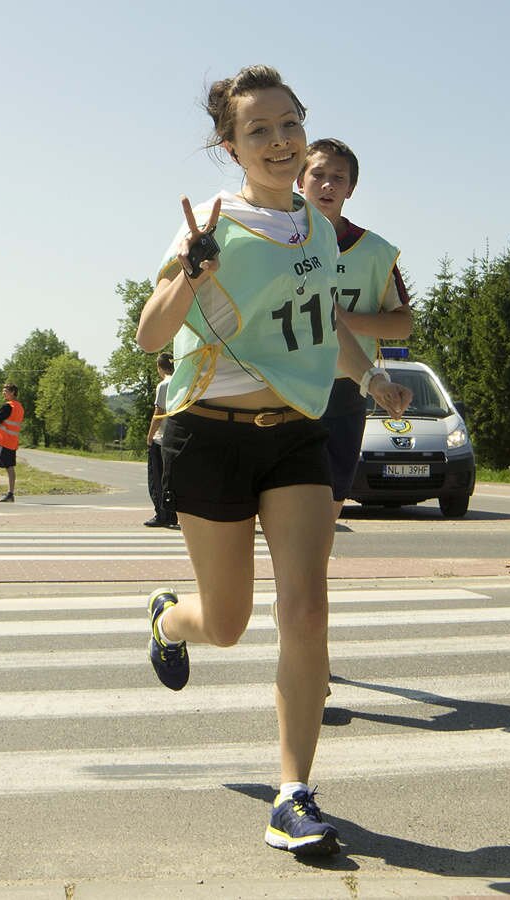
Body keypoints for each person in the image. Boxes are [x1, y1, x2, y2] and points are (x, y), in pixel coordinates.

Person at [134, 65, 411, 858]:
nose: (280, 140)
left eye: (289, 123)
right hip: (210, 434)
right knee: (225, 624)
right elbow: (151, 336)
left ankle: (294, 795)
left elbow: (326, 324)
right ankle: (169, 618)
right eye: (258, 130)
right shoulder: (214, 223)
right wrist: (193, 270)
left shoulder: (316, 229)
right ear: (231, 146)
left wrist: (371, 377)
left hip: (295, 432)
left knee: (307, 610)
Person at [297, 138, 413, 522]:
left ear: (351, 189)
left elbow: (403, 323)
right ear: (299, 180)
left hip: (345, 387)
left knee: (329, 504)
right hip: (283, 384)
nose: (327, 185)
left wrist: (341, 320)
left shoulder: (375, 251)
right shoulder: (274, 240)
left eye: (338, 178)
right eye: (318, 174)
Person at [144, 352, 179, 529]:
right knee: (172, 479)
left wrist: (150, 436)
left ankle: (162, 514)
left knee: (157, 479)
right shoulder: (182, 382)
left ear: (160, 367)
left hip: (161, 439)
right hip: (176, 439)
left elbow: (159, 413)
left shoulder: (164, 385)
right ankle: (172, 513)